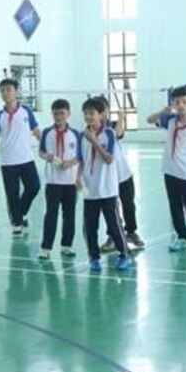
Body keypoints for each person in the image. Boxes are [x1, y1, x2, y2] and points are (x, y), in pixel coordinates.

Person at [146, 84, 186, 255]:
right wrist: (162, 112)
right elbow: (149, 120)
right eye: (177, 102)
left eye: (184, 101)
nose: (180, 105)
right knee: (174, 207)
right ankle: (182, 237)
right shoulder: (170, 120)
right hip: (169, 170)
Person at [0, 79, 41, 237]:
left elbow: (37, 131)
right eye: (2, 90)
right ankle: (17, 224)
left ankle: (21, 212)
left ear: (16, 91)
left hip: (26, 159)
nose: (5, 93)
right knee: (12, 194)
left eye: (8, 89)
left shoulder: (26, 111)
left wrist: (48, 147)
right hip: (8, 162)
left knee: (34, 187)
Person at [78, 96, 133, 271]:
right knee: (89, 227)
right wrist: (77, 177)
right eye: (86, 113)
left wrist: (93, 141)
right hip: (90, 190)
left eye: (92, 113)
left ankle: (124, 254)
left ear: (101, 115)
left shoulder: (109, 133)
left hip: (108, 189)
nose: (88, 117)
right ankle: (94, 257)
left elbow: (109, 159)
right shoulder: (82, 136)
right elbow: (81, 159)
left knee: (114, 225)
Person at [37, 99, 80, 259]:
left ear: (68, 114)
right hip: (53, 182)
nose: (58, 116)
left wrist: (70, 163)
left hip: (70, 182)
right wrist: (46, 156)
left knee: (69, 215)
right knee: (51, 215)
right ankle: (46, 248)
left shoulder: (75, 134)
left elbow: (80, 156)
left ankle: (67, 245)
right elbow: (41, 152)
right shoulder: (47, 132)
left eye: (62, 113)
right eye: (55, 113)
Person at [101, 109, 145, 252]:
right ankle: (113, 236)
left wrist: (121, 118)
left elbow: (118, 134)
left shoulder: (113, 126)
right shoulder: (92, 133)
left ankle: (131, 233)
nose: (101, 115)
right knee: (111, 208)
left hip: (124, 174)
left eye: (103, 111)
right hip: (107, 178)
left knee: (129, 205)